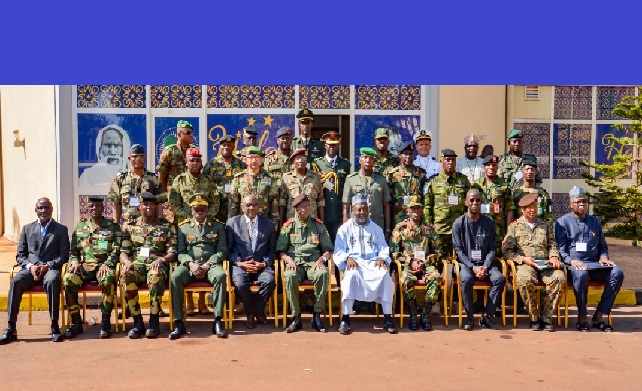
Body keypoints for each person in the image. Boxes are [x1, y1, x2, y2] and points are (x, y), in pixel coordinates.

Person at [0, 198, 70, 344]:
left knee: (51, 281)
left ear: (51, 209)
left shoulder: (61, 229)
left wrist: (48, 266)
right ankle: (11, 327)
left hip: (50, 268)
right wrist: (30, 267)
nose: (43, 210)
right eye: (40, 207)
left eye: (46, 207)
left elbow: (64, 255)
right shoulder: (27, 228)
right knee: (16, 282)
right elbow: (20, 255)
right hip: (30, 269)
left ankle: (54, 325)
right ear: (36, 210)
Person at [555, 186, 624, 332]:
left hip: (595, 264)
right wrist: (571, 261)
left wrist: (604, 256)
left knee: (617, 273)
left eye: (584, 201)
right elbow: (561, 250)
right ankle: (582, 316)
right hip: (574, 266)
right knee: (581, 274)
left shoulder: (594, 222)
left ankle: (599, 315)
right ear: (571, 204)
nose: (582, 205)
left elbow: (603, 246)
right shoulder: (562, 222)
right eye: (578, 202)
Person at [334, 194, 397, 335]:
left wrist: (382, 257)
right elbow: (338, 250)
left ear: (368, 210)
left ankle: (387, 318)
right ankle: (345, 319)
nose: (362, 212)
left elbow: (383, 247)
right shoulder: (344, 229)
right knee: (351, 277)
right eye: (359, 210)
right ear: (352, 210)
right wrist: (347, 258)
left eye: (364, 209)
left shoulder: (376, 228)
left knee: (385, 276)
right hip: (354, 264)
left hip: (373, 263)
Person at [502, 193, 565, 331]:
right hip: (526, 264)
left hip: (545, 264)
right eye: (529, 208)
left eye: (534, 207)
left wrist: (554, 257)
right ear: (522, 210)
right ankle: (534, 317)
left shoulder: (546, 225)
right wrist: (523, 259)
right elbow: (506, 251)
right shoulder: (514, 227)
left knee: (559, 278)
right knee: (524, 279)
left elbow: (553, 244)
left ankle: (546, 317)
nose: (532, 210)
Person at [169, 147, 221, 315]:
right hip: (185, 227)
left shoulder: (208, 181)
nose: (194, 163)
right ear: (186, 162)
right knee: (189, 258)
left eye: (197, 160)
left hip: (205, 225)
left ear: (201, 163)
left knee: (203, 254)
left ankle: (202, 303)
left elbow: (215, 203)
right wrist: (190, 219)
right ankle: (189, 303)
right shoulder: (179, 181)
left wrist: (205, 217)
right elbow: (174, 204)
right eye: (191, 160)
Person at [169, 193, 228, 339]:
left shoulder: (218, 226)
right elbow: (181, 252)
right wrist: (190, 264)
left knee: (221, 276)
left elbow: (222, 251)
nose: (199, 212)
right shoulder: (183, 227)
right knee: (175, 276)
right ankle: (178, 322)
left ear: (208, 210)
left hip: (211, 265)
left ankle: (218, 320)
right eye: (196, 209)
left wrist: (208, 264)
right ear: (191, 210)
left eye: (202, 209)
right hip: (190, 265)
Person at [120, 192, 177, 339]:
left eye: (152, 204)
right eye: (145, 204)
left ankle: (153, 321)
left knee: (154, 275)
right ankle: (137, 321)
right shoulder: (130, 226)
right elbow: (123, 252)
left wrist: (162, 260)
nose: (149, 207)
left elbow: (173, 252)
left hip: (157, 265)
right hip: (138, 265)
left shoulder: (166, 226)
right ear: (140, 207)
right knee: (126, 276)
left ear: (156, 207)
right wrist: (127, 262)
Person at [63, 196, 121, 339]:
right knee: (68, 279)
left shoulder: (113, 227)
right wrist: (75, 262)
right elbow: (73, 251)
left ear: (103, 208)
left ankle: (105, 322)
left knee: (109, 279)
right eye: (92, 206)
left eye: (97, 206)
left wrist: (108, 264)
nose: (95, 209)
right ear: (87, 209)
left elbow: (117, 250)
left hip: (104, 267)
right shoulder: (80, 227)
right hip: (85, 267)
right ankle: (76, 322)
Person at [276, 194, 333, 333]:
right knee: (289, 276)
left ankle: (316, 315)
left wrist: (322, 260)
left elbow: (328, 250)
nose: (306, 209)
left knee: (323, 273)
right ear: (296, 209)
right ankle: (296, 317)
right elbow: (281, 251)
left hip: (313, 262)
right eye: (303, 207)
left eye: (308, 206)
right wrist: (289, 260)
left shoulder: (318, 225)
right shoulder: (288, 226)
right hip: (296, 263)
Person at [452, 189, 505, 330]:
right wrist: (472, 267)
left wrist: (486, 266)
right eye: (471, 200)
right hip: (466, 264)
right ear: (466, 202)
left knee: (499, 279)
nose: (475, 203)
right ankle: (469, 317)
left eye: (478, 200)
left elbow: (493, 248)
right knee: (466, 279)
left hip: (485, 264)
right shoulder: (458, 224)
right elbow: (459, 251)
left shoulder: (488, 223)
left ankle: (487, 316)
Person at [226, 194, 277, 329]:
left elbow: (273, 250)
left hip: (261, 265)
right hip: (241, 265)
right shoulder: (232, 223)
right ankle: (251, 312)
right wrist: (239, 263)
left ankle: (257, 311)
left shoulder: (269, 225)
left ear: (259, 207)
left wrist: (264, 263)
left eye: (254, 204)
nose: (251, 208)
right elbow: (228, 250)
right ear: (242, 207)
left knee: (270, 281)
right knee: (240, 284)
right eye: (248, 205)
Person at [390, 197, 440, 331]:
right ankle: (412, 314)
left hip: (426, 266)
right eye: (413, 208)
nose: (416, 211)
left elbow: (439, 252)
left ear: (422, 210)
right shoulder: (400, 229)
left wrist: (425, 262)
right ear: (407, 211)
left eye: (418, 208)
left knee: (436, 277)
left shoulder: (429, 228)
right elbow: (394, 253)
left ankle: (425, 314)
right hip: (408, 266)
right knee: (405, 279)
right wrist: (409, 261)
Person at [423, 149, 471, 258]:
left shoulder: (463, 180)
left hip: (459, 229)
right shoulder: (433, 182)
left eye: (453, 160)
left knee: (459, 260)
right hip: (440, 229)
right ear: (441, 161)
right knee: (438, 259)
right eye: (447, 160)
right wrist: (429, 225)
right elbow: (427, 206)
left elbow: (469, 204)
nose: (450, 163)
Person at [108, 144, 165, 224]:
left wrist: (160, 223)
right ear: (129, 158)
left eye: (141, 156)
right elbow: (116, 204)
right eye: (134, 156)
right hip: (127, 225)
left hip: (147, 225)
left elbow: (158, 203)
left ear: (145, 158)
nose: (138, 159)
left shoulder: (153, 179)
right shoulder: (120, 178)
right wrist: (116, 224)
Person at [342, 147, 392, 237]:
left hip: (377, 225)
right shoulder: (351, 179)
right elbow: (346, 207)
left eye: (371, 158)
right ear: (360, 160)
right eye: (365, 157)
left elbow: (386, 206)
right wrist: (345, 229)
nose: (368, 160)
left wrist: (387, 229)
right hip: (356, 226)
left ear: (374, 161)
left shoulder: (381, 180)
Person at [311, 131, 351, 242]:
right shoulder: (317, 164)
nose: (332, 147)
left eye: (335, 144)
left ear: (338, 145)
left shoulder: (345, 164)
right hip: (323, 212)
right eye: (330, 144)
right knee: (324, 246)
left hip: (339, 213)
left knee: (340, 244)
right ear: (325, 145)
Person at [228, 146, 280, 228]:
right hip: (243, 222)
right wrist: (232, 224)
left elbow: (274, 202)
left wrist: (274, 224)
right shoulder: (239, 178)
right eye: (251, 157)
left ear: (261, 160)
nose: (254, 160)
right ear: (245, 160)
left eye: (257, 157)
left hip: (263, 221)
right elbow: (233, 204)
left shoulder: (268, 178)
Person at [472, 155, 515, 254]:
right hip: (479, 227)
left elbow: (510, 210)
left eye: (494, 165)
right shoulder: (476, 185)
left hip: (498, 230)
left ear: (497, 167)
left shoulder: (505, 186)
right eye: (488, 165)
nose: (491, 168)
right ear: (484, 167)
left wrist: (508, 231)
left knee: (497, 257)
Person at [202, 135, 247, 221]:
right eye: (224, 145)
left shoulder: (241, 164)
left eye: (229, 145)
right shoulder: (211, 164)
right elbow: (204, 185)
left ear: (233, 147)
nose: (226, 147)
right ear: (220, 147)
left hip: (235, 207)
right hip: (217, 207)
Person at [386, 141, 427, 227]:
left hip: (416, 218)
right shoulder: (392, 174)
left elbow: (425, 197)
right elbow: (387, 200)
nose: (408, 156)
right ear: (400, 156)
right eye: (405, 154)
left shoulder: (421, 173)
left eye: (410, 154)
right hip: (398, 217)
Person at [279, 148, 325, 224]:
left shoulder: (315, 178)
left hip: (312, 221)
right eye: (298, 158)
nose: (301, 160)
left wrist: (322, 224)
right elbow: (282, 203)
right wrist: (281, 225)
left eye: (303, 158)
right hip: (292, 222)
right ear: (293, 162)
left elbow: (321, 202)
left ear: (307, 161)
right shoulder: (286, 178)